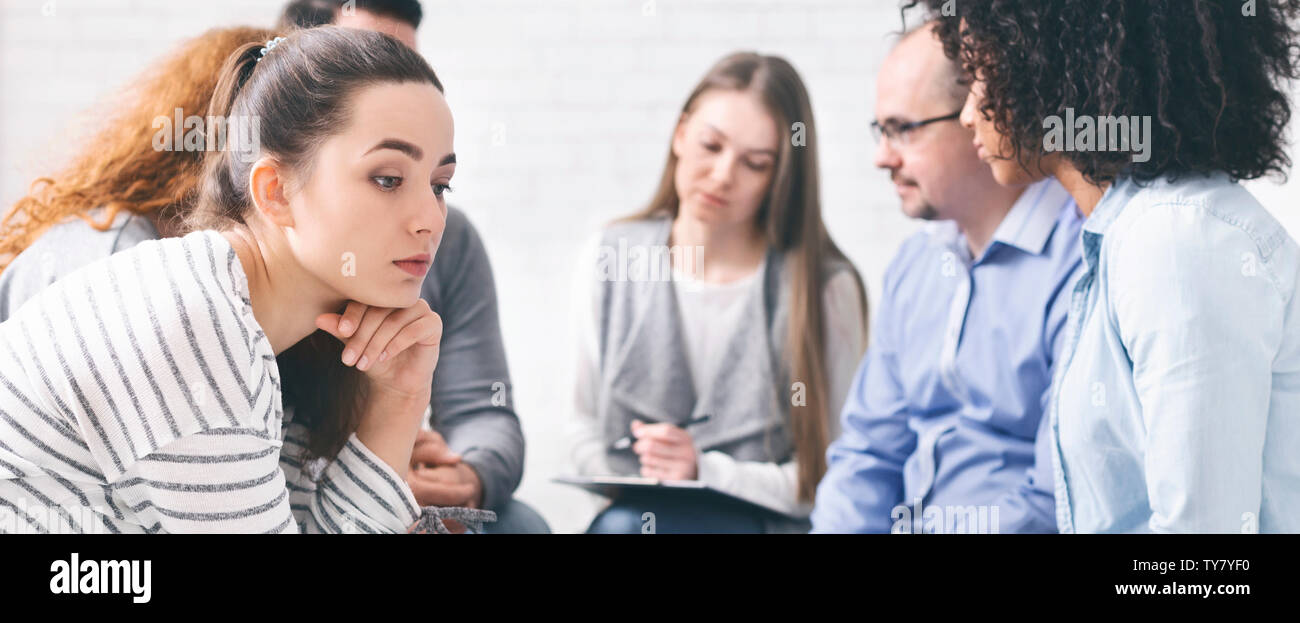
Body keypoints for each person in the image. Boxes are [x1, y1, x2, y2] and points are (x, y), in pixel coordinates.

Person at [0, 0, 547, 534]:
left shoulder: (268, 330)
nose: (431, 219)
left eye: (440, 185)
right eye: (387, 178)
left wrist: (399, 401)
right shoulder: (193, 323)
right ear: (276, 191)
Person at [928, 0, 1300, 532]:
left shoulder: (1175, 244)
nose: (967, 113)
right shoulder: (1128, 234)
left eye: (980, 76)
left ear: (1046, 69)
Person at [567, 51, 869, 533]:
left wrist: (704, 471)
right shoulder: (608, 256)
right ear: (681, 134)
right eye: (711, 145)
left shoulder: (824, 287)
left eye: (755, 163)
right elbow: (582, 428)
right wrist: (643, 474)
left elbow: (834, 475)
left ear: (779, 177)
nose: (724, 175)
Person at [810, 21, 1080, 534]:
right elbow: (868, 453)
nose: (881, 157)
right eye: (881, 131)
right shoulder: (915, 267)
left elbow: (1056, 498)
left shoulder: (1077, 259)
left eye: (902, 130)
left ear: (982, 112)